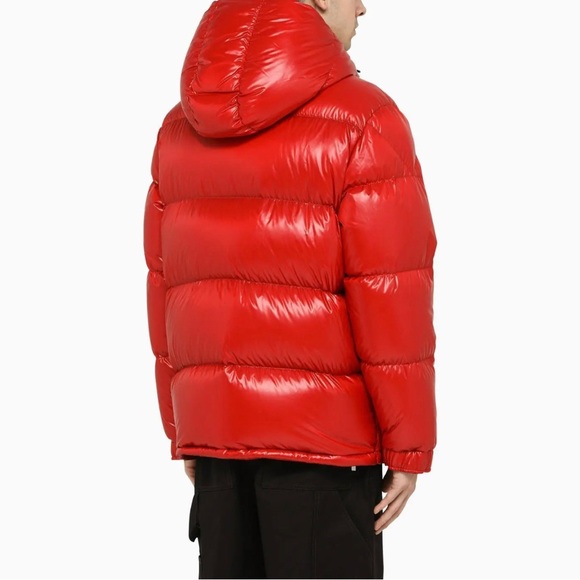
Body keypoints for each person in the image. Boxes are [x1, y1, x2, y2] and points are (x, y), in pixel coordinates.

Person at [143, 0, 437, 577]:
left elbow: (164, 284)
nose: (364, 7)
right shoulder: (365, 119)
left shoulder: (180, 126)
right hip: (326, 455)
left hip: (216, 443)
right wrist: (409, 447)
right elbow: (390, 295)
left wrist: (185, 429)